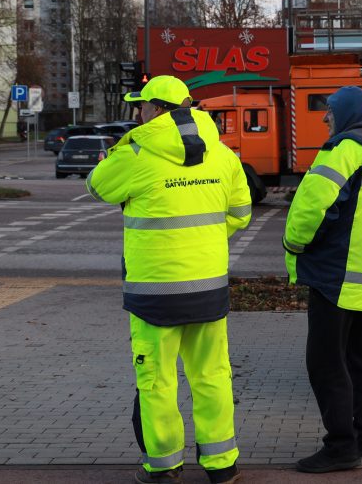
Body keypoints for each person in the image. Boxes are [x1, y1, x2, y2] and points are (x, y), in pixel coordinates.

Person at [86, 76, 251, 484]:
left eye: (140, 106)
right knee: (212, 376)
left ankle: (163, 468)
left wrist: (123, 147)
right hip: (209, 289)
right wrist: (204, 239)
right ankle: (222, 465)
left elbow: (96, 186)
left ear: (156, 108)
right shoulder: (221, 154)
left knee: (157, 381)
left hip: (154, 295)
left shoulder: (137, 153)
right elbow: (242, 213)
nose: (137, 112)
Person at [283, 86, 362, 474]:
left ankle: (340, 446)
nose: (324, 118)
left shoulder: (343, 150)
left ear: (347, 112)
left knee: (325, 362)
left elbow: (314, 206)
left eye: (329, 110)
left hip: (335, 273)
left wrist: (294, 243)